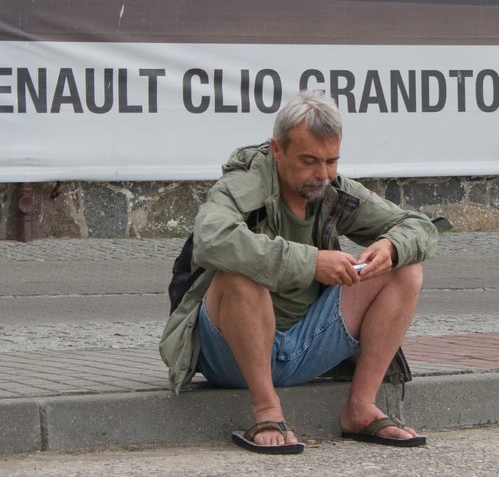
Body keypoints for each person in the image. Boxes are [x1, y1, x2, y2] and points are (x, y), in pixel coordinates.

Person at [159, 91, 438, 454]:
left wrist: (390, 248)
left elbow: (419, 226)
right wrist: (310, 262)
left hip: (307, 344)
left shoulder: (334, 190)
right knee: (237, 274)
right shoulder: (243, 184)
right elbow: (211, 240)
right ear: (277, 150)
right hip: (230, 355)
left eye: (331, 161)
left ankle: (360, 408)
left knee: (405, 269)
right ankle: (266, 410)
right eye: (308, 161)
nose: (322, 175)